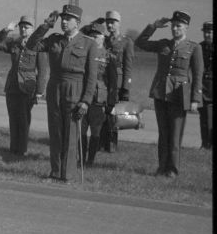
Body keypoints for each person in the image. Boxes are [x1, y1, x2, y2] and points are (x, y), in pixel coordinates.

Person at [26, 5, 98, 183]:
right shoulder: (54, 39)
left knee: (71, 133)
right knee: (56, 131)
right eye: (62, 18)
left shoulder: (89, 43)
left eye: (68, 19)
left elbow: (92, 76)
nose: (64, 22)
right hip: (55, 87)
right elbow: (31, 45)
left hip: (75, 88)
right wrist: (45, 26)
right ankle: (55, 172)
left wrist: (86, 101)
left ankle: (68, 175)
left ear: (78, 22)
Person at [135, 11, 203, 177]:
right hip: (160, 93)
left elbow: (198, 74)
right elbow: (140, 43)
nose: (174, 28)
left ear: (186, 27)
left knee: (175, 134)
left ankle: (172, 169)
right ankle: (162, 167)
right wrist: (154, 26)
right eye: (173, 25)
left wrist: (195, 99)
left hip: (180, 95)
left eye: (178, 26)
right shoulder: (163, 44)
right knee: (163, 133)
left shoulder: (193, 47)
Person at [0, 15, 48, 156]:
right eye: (22, 26)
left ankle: (22, 150)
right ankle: (13, 148)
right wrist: (6, 30)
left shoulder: (38, 45)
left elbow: (42, 71)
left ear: (33, 29)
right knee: (13, 117)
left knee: (23, 118)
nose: (23, 29)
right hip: (12, 86)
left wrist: (39, 92)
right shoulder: (14, 43)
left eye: (27, 27)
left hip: (27, 86)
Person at [79, 21, 117, 166]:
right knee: (81, 130)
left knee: (95, 131)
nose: (94, 39)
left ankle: (90, 160)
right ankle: (81, 158)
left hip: (99, 100)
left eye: (97, 36)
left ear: (103, 38)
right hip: (83, 96)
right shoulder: (83, 53)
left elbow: (113, 82)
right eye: (91, 36)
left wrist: (111, 103)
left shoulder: (109, 57)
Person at [100, 10, 135, 152]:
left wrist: (125, 88)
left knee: (114, 114)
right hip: (103, 80)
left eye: (112, 22)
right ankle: (101, 142)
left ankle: (112, 144)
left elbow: (128, 66)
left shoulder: (126, 42)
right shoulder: (103, 40)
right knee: (102, 112)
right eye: (108, 22)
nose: (110, 25)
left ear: (119, 23)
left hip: (118, 82)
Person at [199, 21, 213, 149]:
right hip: (203, 88)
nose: (207, 35)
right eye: (205, 32)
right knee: (204, 118)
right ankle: (205, 144)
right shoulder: (200, 47)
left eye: (209, 32)